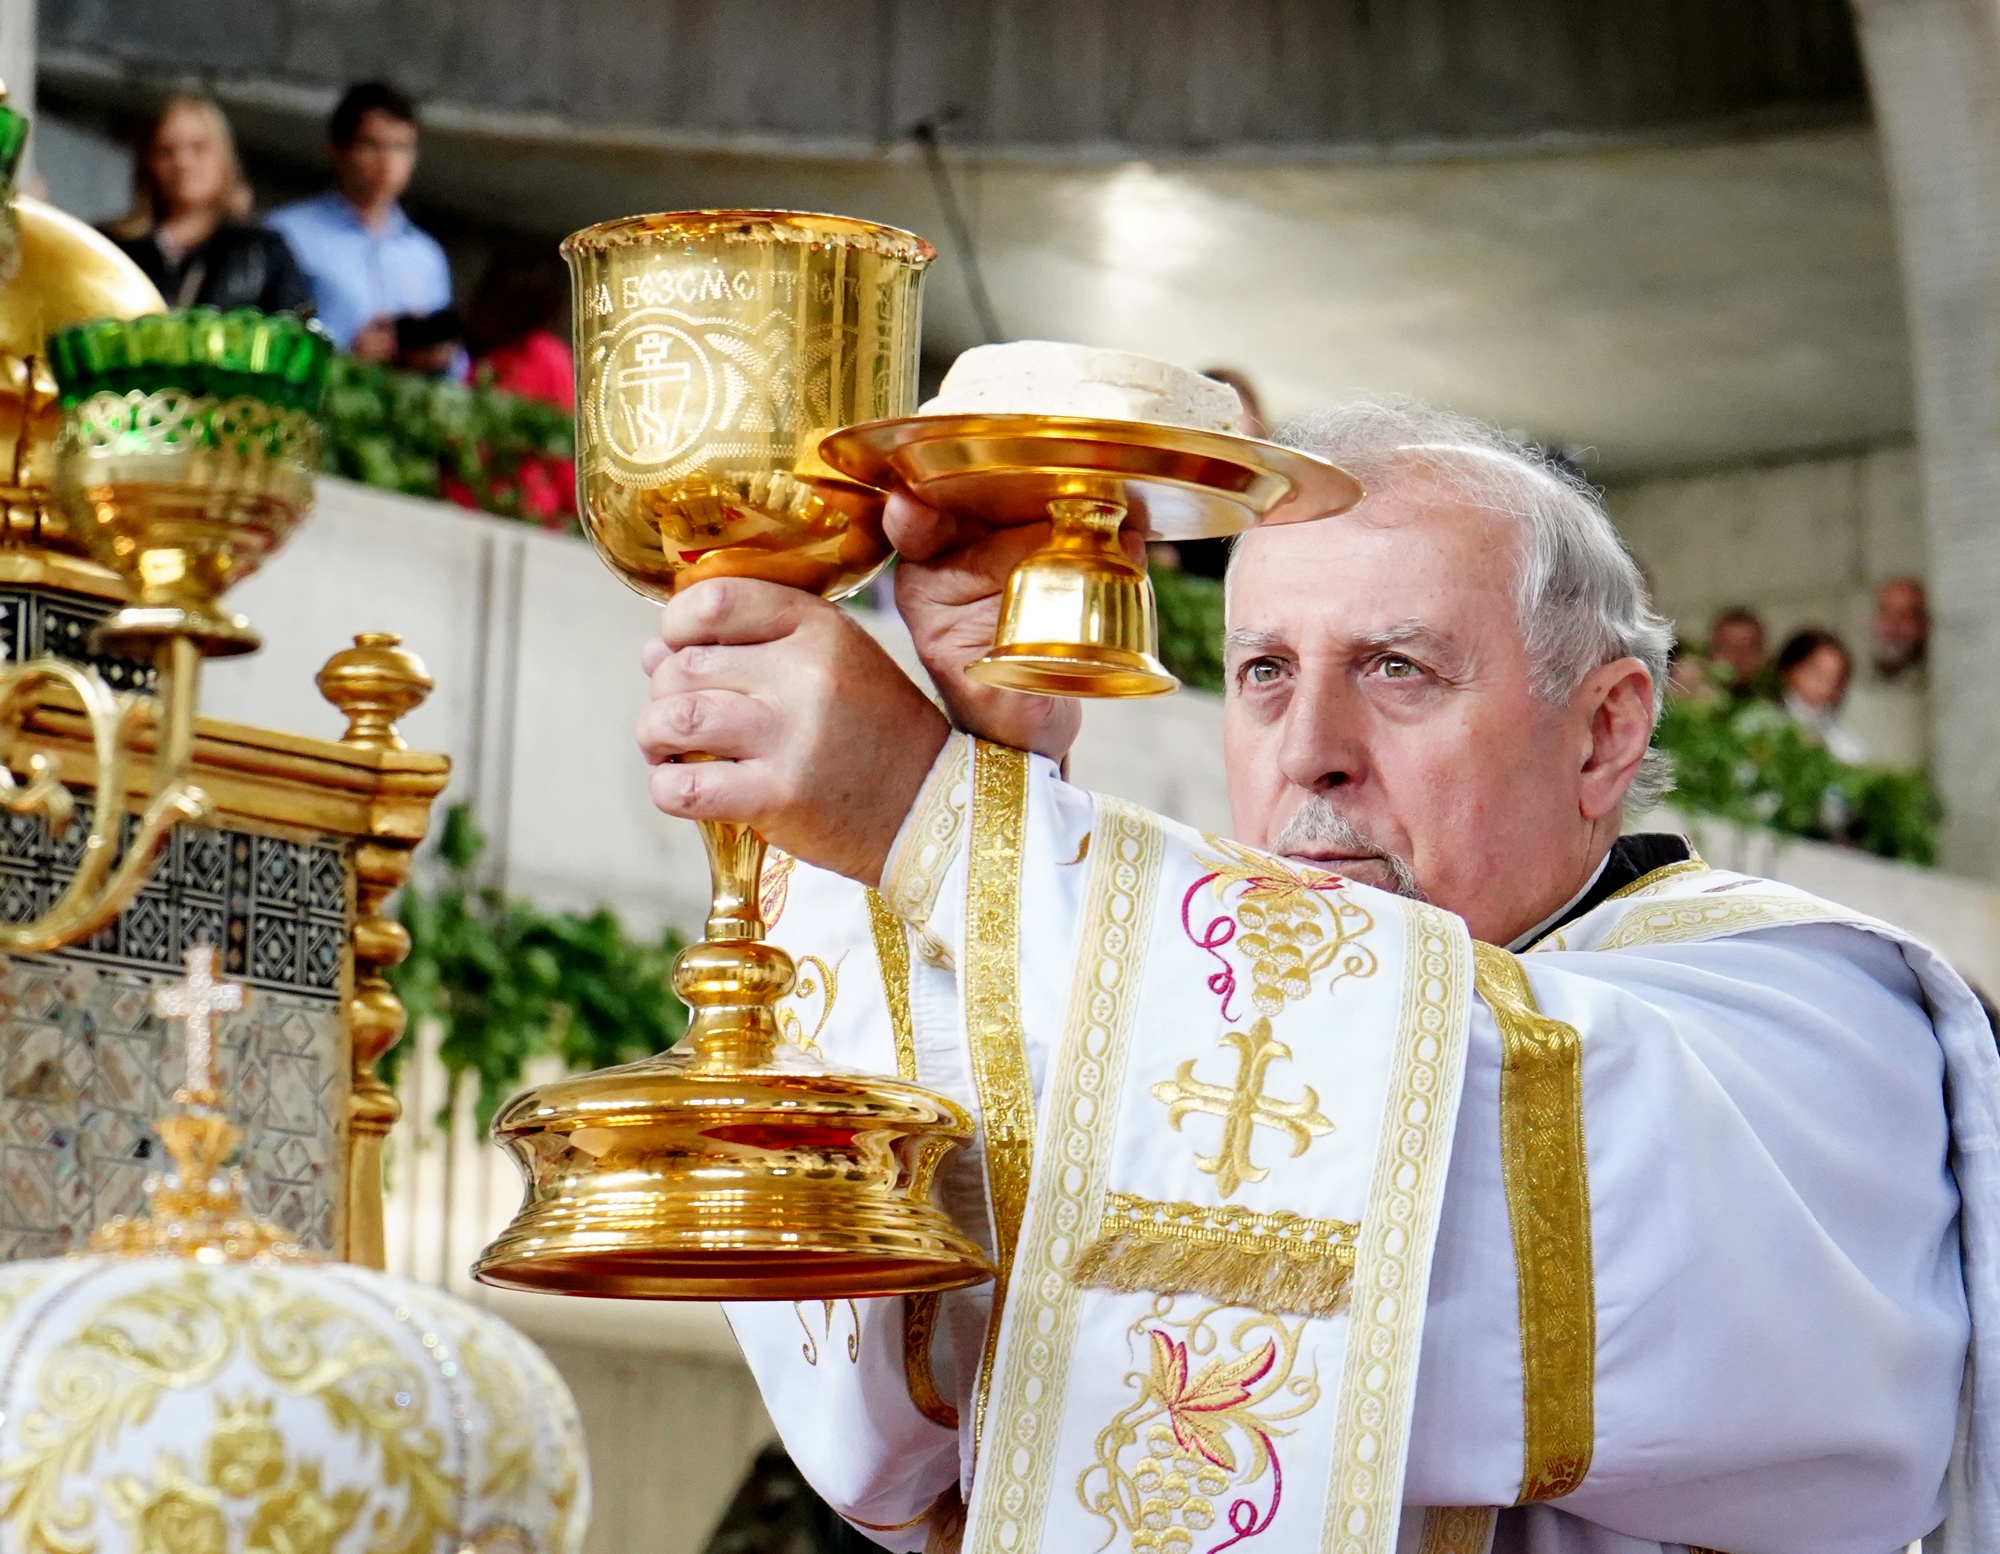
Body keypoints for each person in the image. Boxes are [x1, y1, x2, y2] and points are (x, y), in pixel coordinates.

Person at [635, 396, 1995, 1553]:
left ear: (1602, 733)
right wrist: (992, 788)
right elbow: (904, 1424)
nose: (1310, 752)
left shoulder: (1825, 1025)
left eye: (1398, 669)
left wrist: (946, 825)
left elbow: (1451, 1172)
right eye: (1264, 672)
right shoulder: (1175, 1028)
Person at [267, 82, 452, 361]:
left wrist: (435, 356)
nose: (387, 162)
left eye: (401, 147)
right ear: (338, 151)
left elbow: (456, 365)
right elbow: (265, 335)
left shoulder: (426, 255)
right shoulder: (287, 233)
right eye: (372, 145)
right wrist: (345, 349)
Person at [102, 95, 311, 314]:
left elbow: (294, 333)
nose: (183, 162)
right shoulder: (111, 248)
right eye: (165, 151)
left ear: (224, 160)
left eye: (198, 148)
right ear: (147, 165)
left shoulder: (263, 252)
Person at [451, 245, 575, 526]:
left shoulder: (536, 356)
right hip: (493, 507)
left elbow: (560, 444)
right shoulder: (472, 352)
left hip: (511, 508)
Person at [1844, 576, 1932, 772]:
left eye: (1906, 616)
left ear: (1924, 626)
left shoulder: (1935, 694)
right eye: (1886, 614)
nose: (1893, 628)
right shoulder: (1848, 690)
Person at [1777, 624, 1869, 763]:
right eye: (1816, 674)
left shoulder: (1849, 747)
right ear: (1789, 671)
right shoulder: (1758, 728)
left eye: (1836, 679)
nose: (1826, 687)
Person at [1705, 603, 1768, 698]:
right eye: (1728, 648)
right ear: (1710, 653)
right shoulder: (1686, 701)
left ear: (1763, 655)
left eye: (1746, 650)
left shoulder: (1778, 707)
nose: (1737, 658)